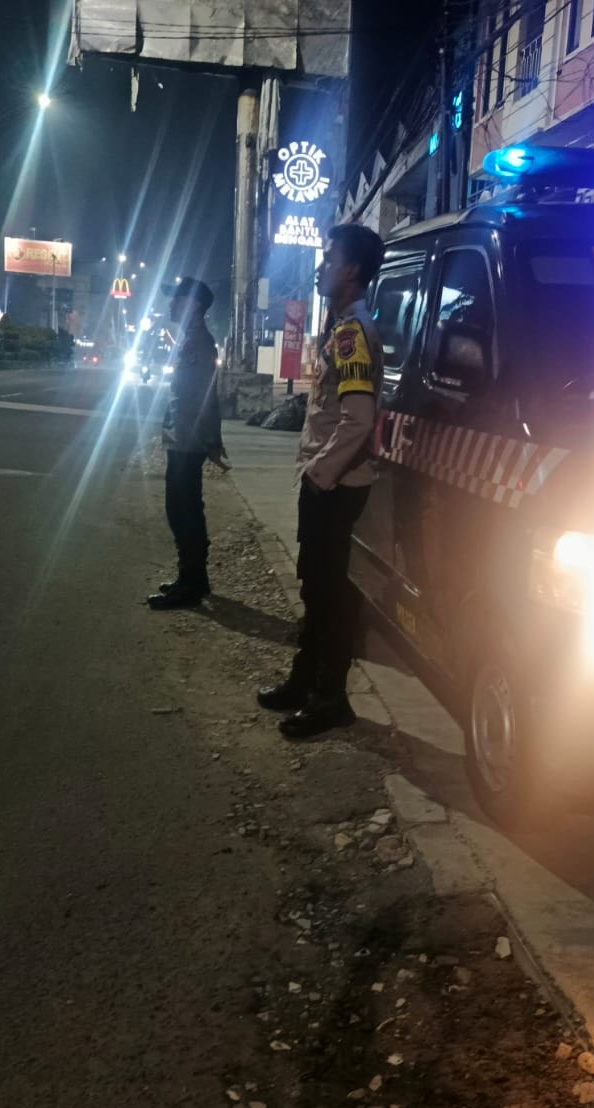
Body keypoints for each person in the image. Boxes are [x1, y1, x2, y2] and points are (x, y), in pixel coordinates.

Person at [257, 224, 386, 738]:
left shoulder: (352, 334)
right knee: (316, 587)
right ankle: (305, 682)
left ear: (351, 270)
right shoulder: (341, 328)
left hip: (335, 487)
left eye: (330, 258)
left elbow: (359, 419)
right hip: (330, 483)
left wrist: (319, 475)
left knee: (330, 594)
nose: (320, 267)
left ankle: (330, 699)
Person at [149, 277, 227, 611]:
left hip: (189, 440)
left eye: (177, 299)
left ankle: (191, 584)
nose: (171, 304)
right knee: (183, 508)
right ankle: (193, 578)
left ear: (193, 306)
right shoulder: (190, 340)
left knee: (183, 510)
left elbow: (205, 396)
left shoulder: (199, 343)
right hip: (183, 437)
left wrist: (212, 442)